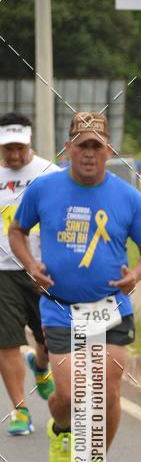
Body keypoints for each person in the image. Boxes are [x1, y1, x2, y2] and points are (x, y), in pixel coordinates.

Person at [9, 112, 141, 462]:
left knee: (108, 388)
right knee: (71, 392)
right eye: (82, 146)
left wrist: (135, 275)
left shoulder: (128, 197)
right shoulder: (44, 190)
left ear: (109, 150)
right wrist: (30, 265)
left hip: (111, 306)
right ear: (68, 149)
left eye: (96, 146)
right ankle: (61, 427)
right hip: (60, 306)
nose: (89, 153)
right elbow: (17, 231)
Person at [0, 112, 59, 435]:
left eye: (19, 147)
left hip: (44, 269)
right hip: (3, 271)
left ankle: (40, 364)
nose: (14, 154)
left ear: (29, 141)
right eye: (7, 148)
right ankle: (20, 409)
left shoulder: (49, 173)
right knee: (6, 340)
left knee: (50, 339)